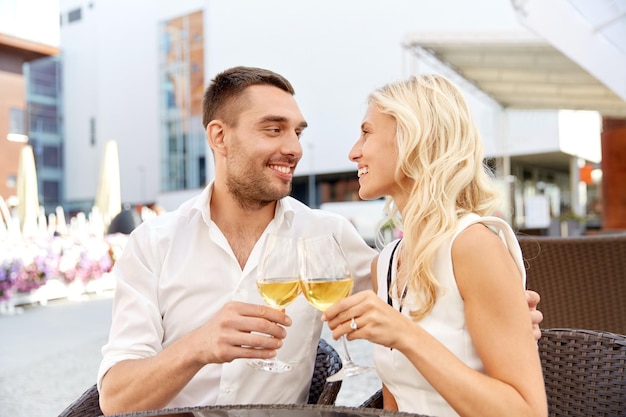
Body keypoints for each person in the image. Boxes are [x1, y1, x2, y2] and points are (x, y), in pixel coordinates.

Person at [98, 66, 543, 415]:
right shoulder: (152, 244)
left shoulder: (329, 237)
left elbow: (432, 304)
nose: (294, 147)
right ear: (219, 136)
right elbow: (115, 399)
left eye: (298, 132)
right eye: (274, 129)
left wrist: (502, 313)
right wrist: (197, 346)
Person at [322, 74, 547, 417]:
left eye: (367, 132)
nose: (354, 152)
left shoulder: (473, 246)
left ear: (413, 138)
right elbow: (395, 402)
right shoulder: (386, 265)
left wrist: (406, 336)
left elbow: (526, 412)